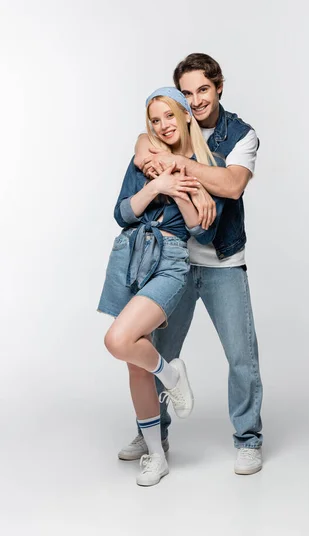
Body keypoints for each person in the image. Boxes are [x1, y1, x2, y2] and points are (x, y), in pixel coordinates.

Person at [120, 53, 264, 476]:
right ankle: (153, 435)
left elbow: (233, 185)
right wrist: (149, 152)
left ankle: (248, 439)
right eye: (187, 92)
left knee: (241, 356)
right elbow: (144, 141)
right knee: (159, 354)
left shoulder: (241, 135)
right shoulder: (171, 122)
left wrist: (179, 164)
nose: (196, 100)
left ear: (219, 87)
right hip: (173, 262)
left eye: (203, 89)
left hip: (222, 260)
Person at [98, 86, 225, 486]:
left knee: (118, 340)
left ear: (187, 114)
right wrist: (155, 186)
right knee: (136, 364)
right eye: (155, 120)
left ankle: (170, 375)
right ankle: (156, 452)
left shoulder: (206, 166)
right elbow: (122, 213)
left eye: (169, 115)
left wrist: (179, 184)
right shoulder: (144, 160)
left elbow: (200, 234)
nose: (163, 125)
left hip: (170, 263)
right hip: (132, 258)